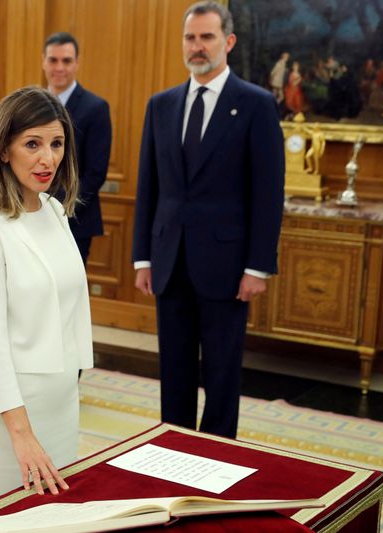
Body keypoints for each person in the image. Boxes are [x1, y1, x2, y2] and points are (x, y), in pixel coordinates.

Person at [132, 1, 284, 439]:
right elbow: (150, 185)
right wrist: (143, 256)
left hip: (227, 266)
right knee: (174, 369)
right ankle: (173, 449)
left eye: (207, 37)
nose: (197, 47)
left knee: (220, 374)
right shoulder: (161, 105)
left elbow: (268, 193)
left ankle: (218, 457)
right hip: (170, 260)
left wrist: (258, 266)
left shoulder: (255, 104)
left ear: (228, 42)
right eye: (190, 38)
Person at [0, 86, 93, 513]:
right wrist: (21, 433)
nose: (47, 158)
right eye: (32, 144)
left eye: (56, 143)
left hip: (60, 403)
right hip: (5, 415)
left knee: (53, 518)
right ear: (3, 150)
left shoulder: (52, 211)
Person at [42, 32, 112, 264]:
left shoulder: (96, 108)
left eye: (66, 60)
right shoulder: (32, 105)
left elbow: (95, 173)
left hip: (74, 218)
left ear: (77, 63)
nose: (59, 67)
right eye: (53, 60)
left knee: (67, 295)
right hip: (31, 215)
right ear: (44, 61)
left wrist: (55, 207)